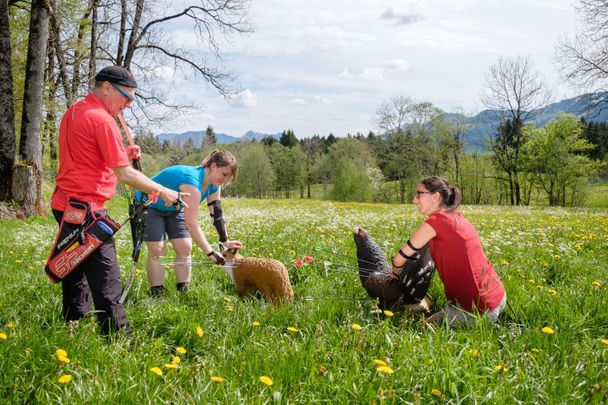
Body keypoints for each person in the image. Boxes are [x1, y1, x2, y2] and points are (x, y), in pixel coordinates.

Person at [50, 65, 181, 337]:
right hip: (87, 211)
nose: (129, 104)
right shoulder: (103, 120)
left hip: (64, 205)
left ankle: (73, 327)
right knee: (107, 280)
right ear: (106, 87)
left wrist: (121, 151)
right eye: (126, 97)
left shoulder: (75, 110)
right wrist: (165, 191)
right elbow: (124, 174)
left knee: (74, 267)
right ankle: (119, 340)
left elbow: (86, 154)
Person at [388, 176, 506, 326]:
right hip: (496, 296)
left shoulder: (436, 222)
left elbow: (398, 260)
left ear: (435, 196)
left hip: (480, 310)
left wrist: (395, 274)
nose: (414, 200)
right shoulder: (455, 217)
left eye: (419, 194)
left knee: (422, 327)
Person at [143, 150, 243, 296]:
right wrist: (210, 252)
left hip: (174, 208)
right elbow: (192, 224)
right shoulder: (192, 182)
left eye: (228, 177)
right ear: (213, 166)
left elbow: (217, 214)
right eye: (225, 174)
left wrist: (225, 241)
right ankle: (157, 292)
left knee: (184, 247)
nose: (225, 179)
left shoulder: (214, 185)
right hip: (149, 204)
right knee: (157, 250)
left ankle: (183, 290)